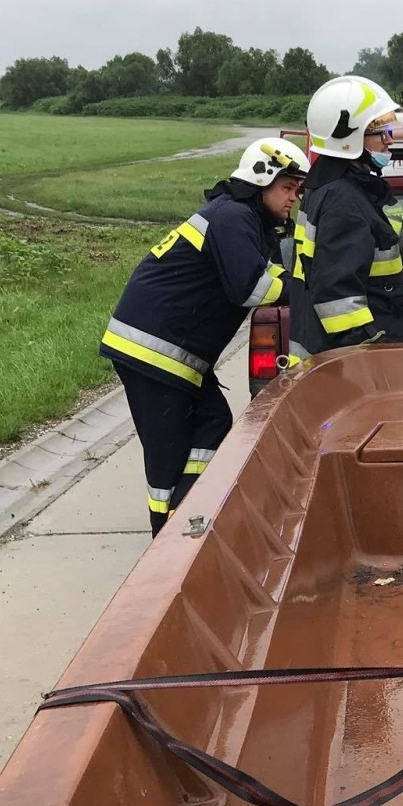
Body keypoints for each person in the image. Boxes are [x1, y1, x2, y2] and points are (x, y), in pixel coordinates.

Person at [101, 137, 307, 534]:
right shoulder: (232, 217)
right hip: (153, 351)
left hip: (175, 352)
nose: (293, 198)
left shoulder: (242, 217)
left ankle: (190, 505)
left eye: (297, 190)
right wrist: (305, 283)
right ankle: (166, 533)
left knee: (213, 422)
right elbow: (250, 288)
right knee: (167, 449)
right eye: (287, 187)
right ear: (261, 179)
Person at [288, 75, 403, 365]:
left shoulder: (326, 188)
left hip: (329, 358)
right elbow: (338, 298)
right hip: (348, 365)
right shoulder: (344, 201)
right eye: (380, 132)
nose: (389, 140)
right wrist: (369, 353)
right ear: (349, 138)